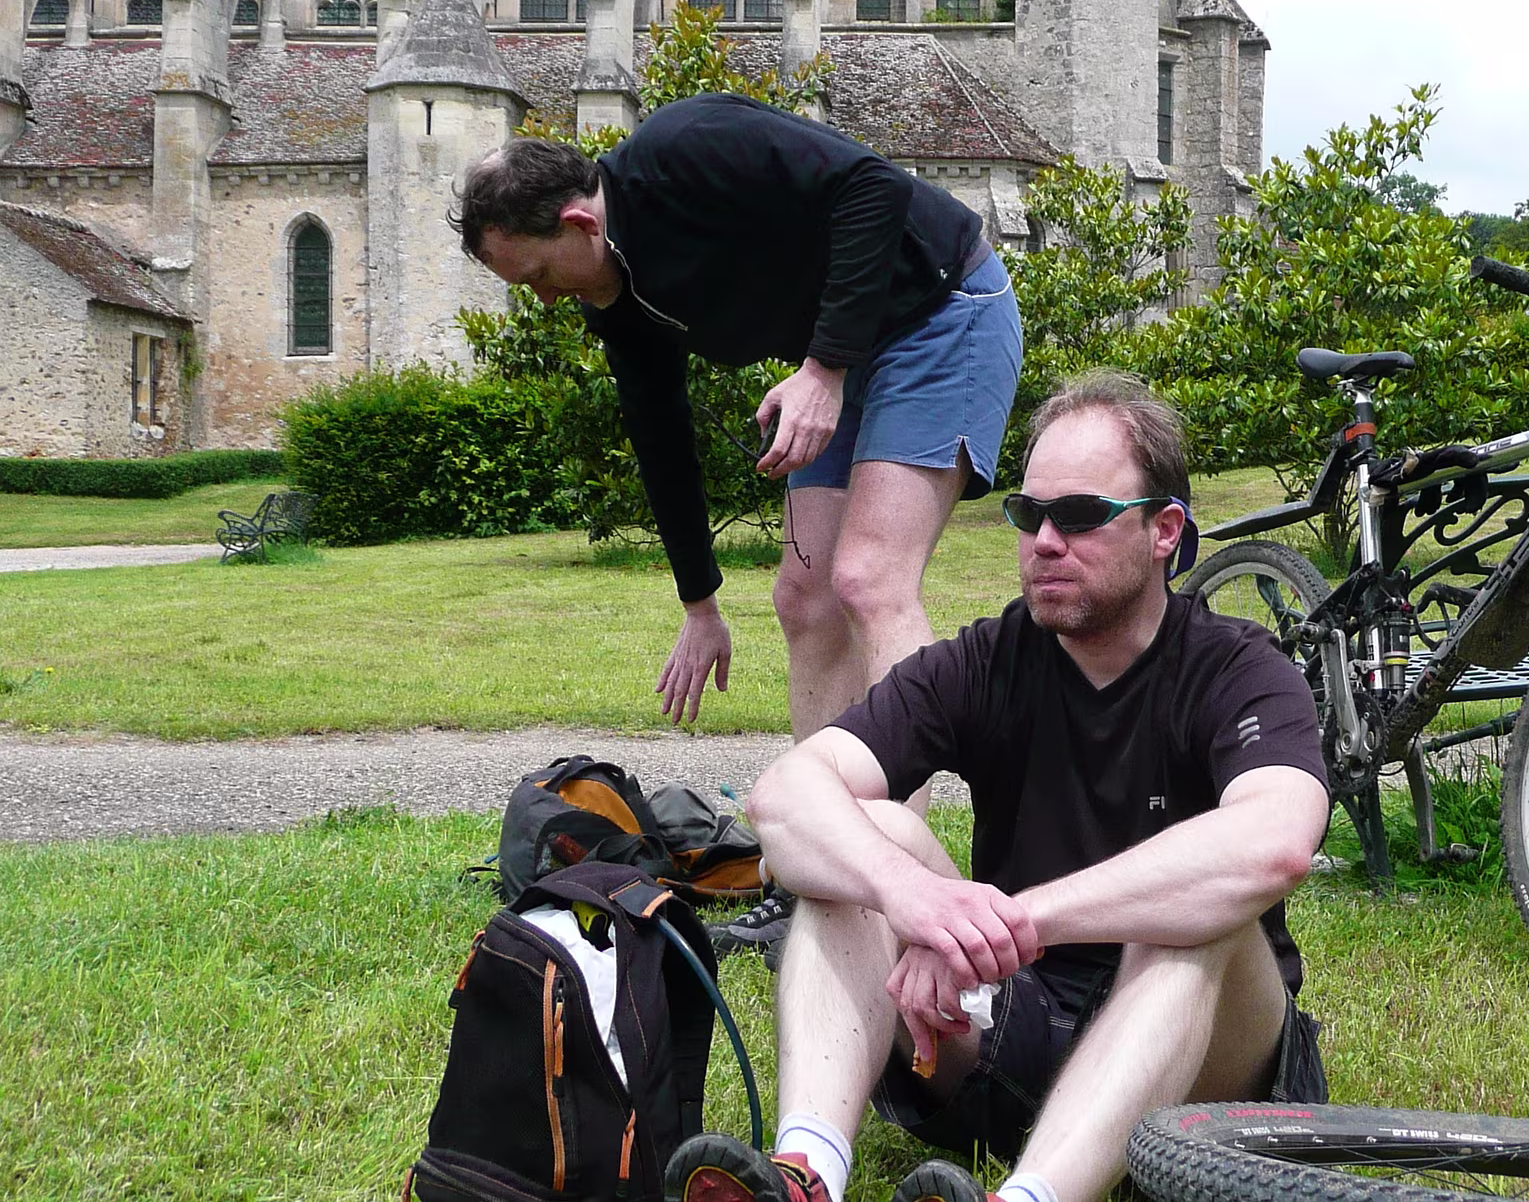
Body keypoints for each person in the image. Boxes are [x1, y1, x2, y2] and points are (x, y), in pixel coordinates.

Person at [662, 370, 1332, 1202]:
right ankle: (806, 1174)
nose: (1045, 541)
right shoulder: (987, 660)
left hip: (1207, 1080)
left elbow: (1274, 844)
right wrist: (909, 895)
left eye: (1079, 515)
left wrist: (1017, 921)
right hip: (1015, 1033)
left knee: (1188, 916)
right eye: (1028, 513)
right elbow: (786, 798)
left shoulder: (1236, 669)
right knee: (864, 837)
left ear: (1164, 530)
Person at [453, 93, 1023, 952]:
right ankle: (822, 876)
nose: (542, 299)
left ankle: (901, 879)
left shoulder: (688, 147)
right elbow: (660, 436)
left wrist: (822, 370)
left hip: (940, 311)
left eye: (536, 276)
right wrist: (700, 604)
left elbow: (872, 186)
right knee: (805, 599)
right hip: (847, 352)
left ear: (578, 223)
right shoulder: (619, 300)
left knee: (871, 580)